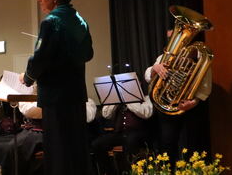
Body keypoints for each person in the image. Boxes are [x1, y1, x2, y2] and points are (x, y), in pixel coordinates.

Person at [21, 0, 94, 175]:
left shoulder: (51, 22)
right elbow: (88, 54)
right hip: (76, 96)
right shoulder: (80, 21)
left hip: (55, 97)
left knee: (58, 151)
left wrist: (27, 77)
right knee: (76, 149)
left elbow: (39, 59)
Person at [145, 29, 212, 162]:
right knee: (167, 145)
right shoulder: (164, 57)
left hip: (191, 108)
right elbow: (148, 76)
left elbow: (206, 87)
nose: (175, 41)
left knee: (193, 145)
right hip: (167, 108)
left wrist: (194, 102)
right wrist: (154, 68)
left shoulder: (201, 59)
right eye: (174, 38)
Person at [91, 95, 153, 174]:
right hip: (120, 133)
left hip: (138, 132)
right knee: (97, 144)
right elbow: (106, 115)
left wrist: (128, 99)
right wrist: (114, 100)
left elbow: (146, 113)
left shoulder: (145, 95)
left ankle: (130, 172)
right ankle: (110, 172)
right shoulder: (117, 96)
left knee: (130, 141)